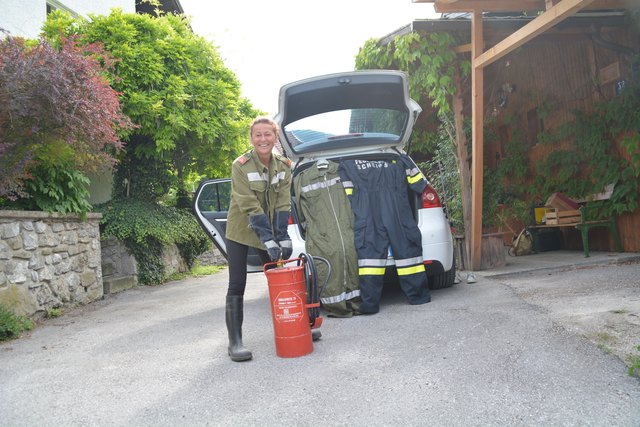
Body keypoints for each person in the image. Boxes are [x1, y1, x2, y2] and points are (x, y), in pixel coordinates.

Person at [223, 116, 293, 362]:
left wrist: (281, 236)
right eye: (258, 135)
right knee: (237, 283)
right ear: (251, 139)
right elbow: (248, 203)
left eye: (268, 134)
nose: (263, 139)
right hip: (241, 231)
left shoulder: (285, 165)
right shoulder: (240, 165)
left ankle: (293, 325)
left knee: (279, 280)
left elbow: (284, 200)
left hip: (270, 230)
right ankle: (235, 343)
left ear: (275, 137)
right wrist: (268, 238)